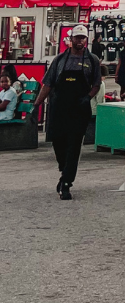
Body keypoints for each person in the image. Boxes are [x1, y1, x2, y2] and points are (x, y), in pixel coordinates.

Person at [33, 24, 101, 200]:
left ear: (86, 39)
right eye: (77, 38)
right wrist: (37, 104)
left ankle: (66, 183)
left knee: (74, 145)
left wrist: (88, 97)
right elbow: (48, 83)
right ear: (70, 40)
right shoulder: (60, 60)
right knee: (58, 141)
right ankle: (64, 170)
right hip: (59, 107)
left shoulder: (92, 60)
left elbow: (96, 84)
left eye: (83, 38)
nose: (80, 41)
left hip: (79, 109)